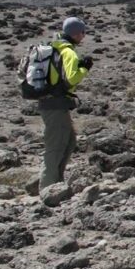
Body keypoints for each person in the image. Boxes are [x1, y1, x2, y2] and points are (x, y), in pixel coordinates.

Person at [38, 17, 93, 190]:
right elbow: (72, 78)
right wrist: (84, 68)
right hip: (55, 103)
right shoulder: (68, 51)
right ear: (76, 33)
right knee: (56, 144)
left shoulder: (55, 47)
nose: (83, 36)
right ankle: (47, 187)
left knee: (69, 141)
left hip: (52, 101)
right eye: (83, 32)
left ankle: (57, 182)